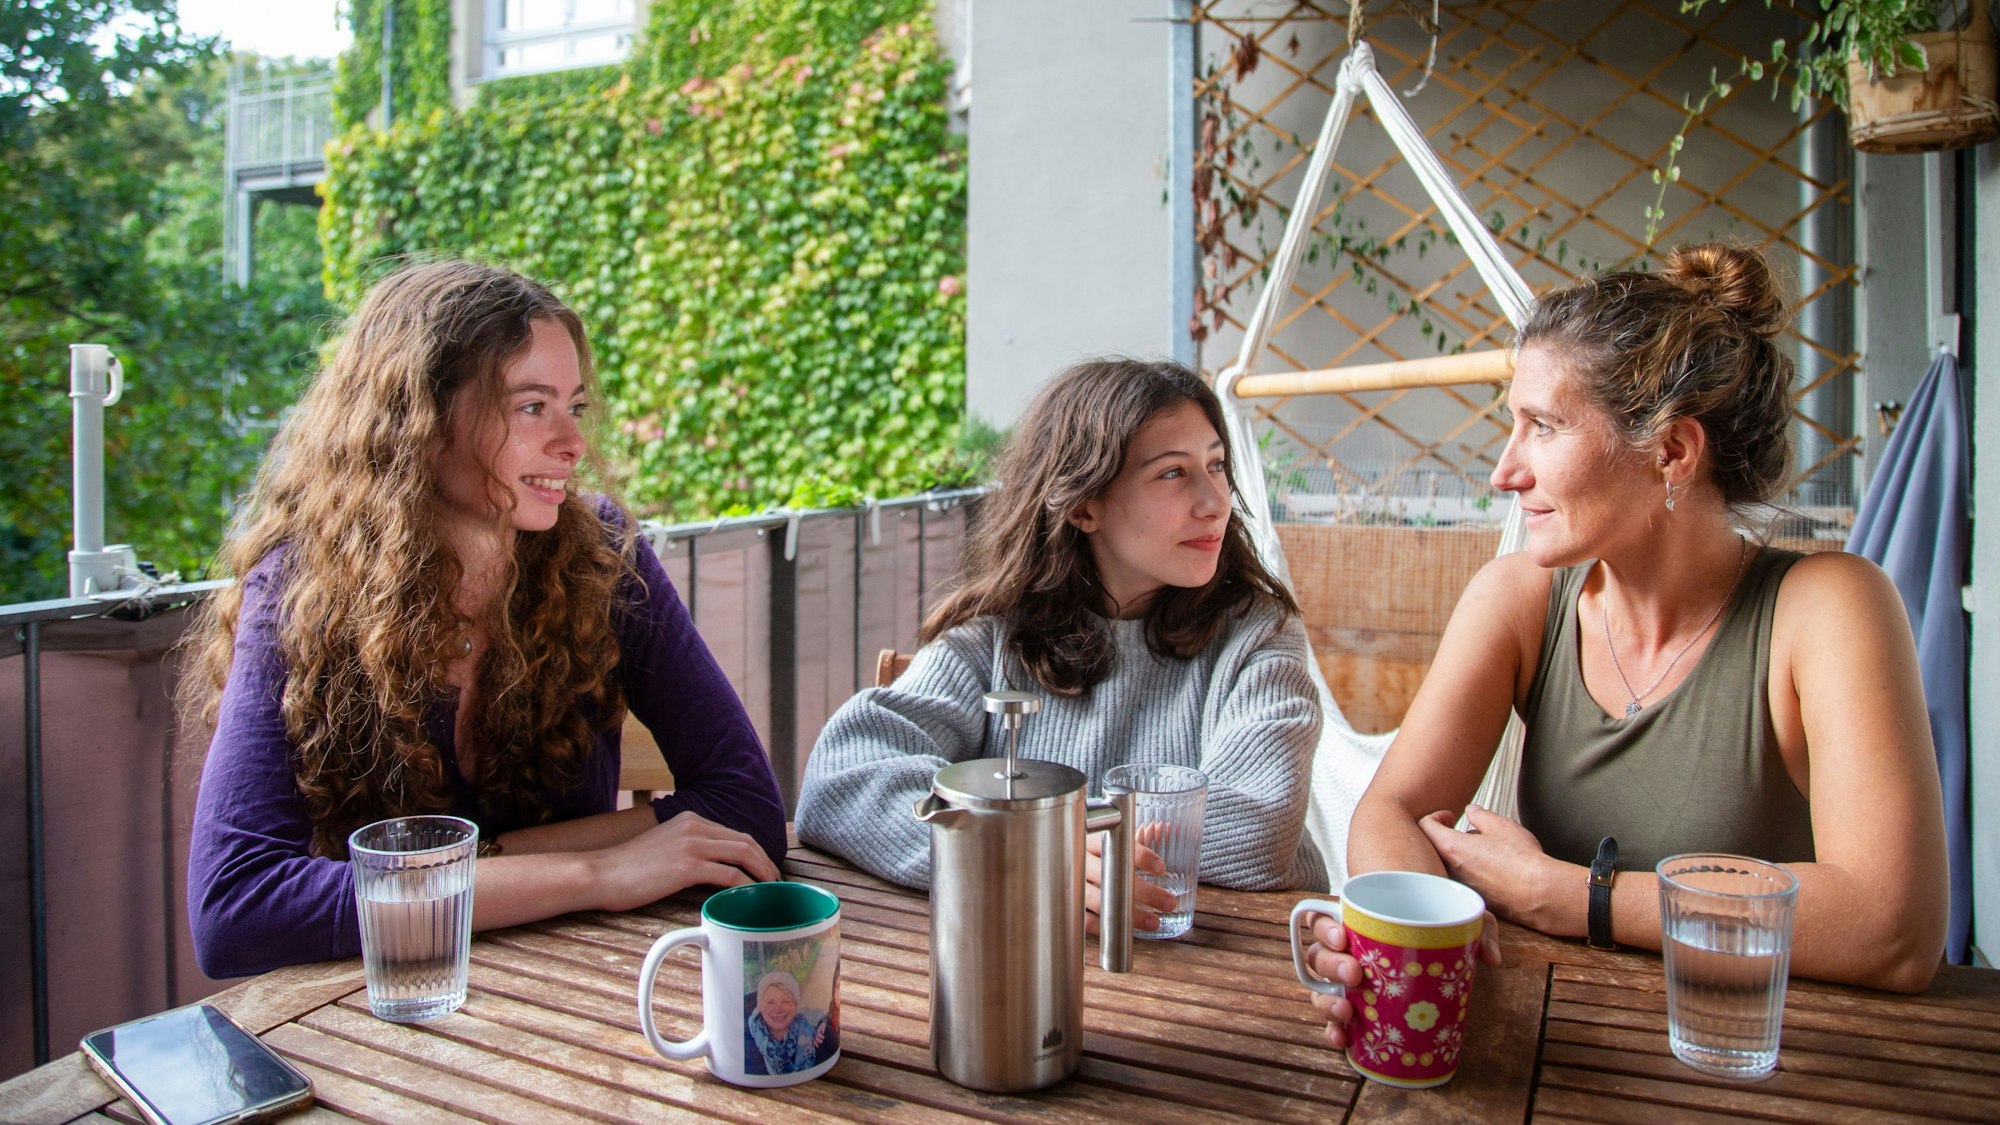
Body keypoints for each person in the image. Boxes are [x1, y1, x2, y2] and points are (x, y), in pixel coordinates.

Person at [1301, 243, 1948, 1047]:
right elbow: (1391, 812)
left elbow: (1894, 926)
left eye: (1542, 426)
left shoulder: (1826, 608)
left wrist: (1575, 897)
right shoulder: (1520, 598)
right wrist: (1410, 942)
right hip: (1560, 1048)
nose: (1505, 471)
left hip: (1759, 1066)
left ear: (1671, 451)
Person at [182, 260, 788, 977]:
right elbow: (236, 906)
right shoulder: (298, 588)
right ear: (422, 419)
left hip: (576, 982)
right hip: (384, 1010)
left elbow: (748, 812)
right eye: (532, 406)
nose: (572, 443)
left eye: (576, 406)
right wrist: (599, 870)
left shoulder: (602, 559)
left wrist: (479, 866)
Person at [795, 357, 1326, 932]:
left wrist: (1047, 835)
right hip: (1032, 965)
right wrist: (1017, 857)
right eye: (1173, 473)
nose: (1216, 500)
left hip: (1242, 968)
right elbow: (840, 775)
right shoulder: (994, 638)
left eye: (1217, 465)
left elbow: (1259, 828)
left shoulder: (1259, 634)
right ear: (1082, 504)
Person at [743, 971, 832, 1075]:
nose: (778, 1009)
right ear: (760, 1007)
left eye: (786, 1001)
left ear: (796, 1005)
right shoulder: (746, 1045)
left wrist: (825, 1022)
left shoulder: (814, 1034)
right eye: (770, 1002)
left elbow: (827, 1013)